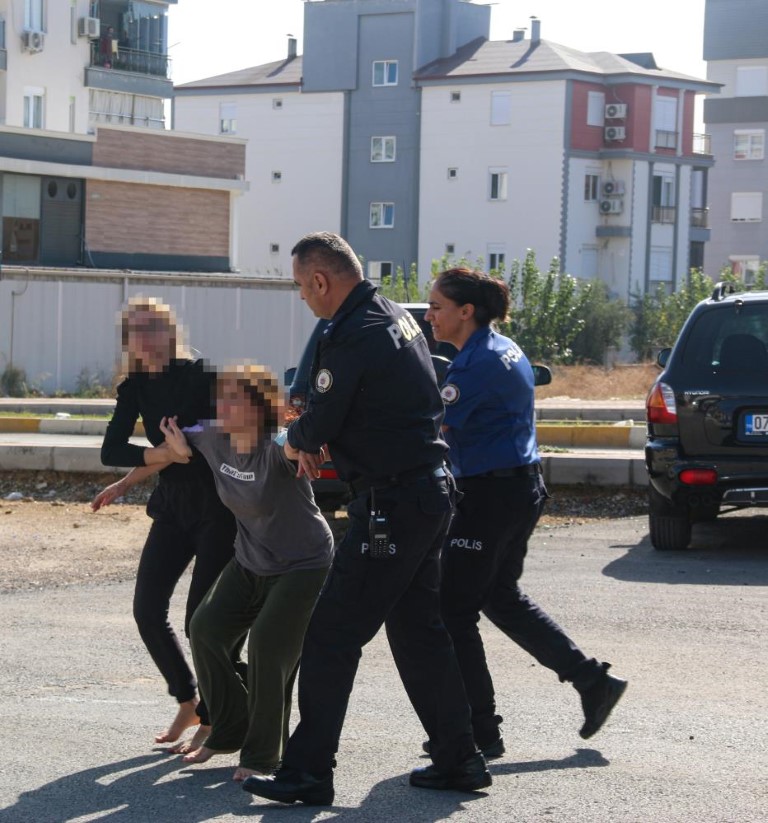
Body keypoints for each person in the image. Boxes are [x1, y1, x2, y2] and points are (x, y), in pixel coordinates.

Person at [243, 232, 489, 807]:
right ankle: (460, 757)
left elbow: (321, 420)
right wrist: (314, 434)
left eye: (304, 287)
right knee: (417, 631)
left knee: (330, 635)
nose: (304, 298)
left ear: (323, 281)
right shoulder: (392, 317)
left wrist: (292, 439)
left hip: (394, 504)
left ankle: (307, 772)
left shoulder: (354, 334)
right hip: (424, 495)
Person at [422, 267, 627, 757]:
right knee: (499, 597)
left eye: (436, 307)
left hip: (491, 497)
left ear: (465, 312)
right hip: (516, 489)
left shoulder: (475, 367)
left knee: (453, 610)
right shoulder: (500, 347)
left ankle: (478, 732)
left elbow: (435, 431)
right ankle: (591, 680)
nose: (429, 316)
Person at [156, 364, 333, 781]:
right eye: (223, 399)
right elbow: (172, 444)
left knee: (269, 648)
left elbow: (296, 443)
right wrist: (152, 462)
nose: (226, 408)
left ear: (260, 409)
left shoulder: (276, 446)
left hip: (302, 563)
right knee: (205, 629)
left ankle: (261, 756)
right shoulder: (211, 437)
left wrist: (307, 439)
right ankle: (229, 728)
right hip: (250, 559)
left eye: (237, 400)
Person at [93, 297, 236, 753]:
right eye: (136, 330)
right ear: (128, 341)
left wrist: (174, 454)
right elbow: (113, 449)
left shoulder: (201, 376)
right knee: (147, 610)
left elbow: (216, 442)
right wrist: (136, 475)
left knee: (202, 622)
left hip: (218, 508)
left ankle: (216, 718)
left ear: (171, 332)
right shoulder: (134, 385)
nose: (146, 337)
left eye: (154, 327)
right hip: (172, 506)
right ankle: (188, 698)